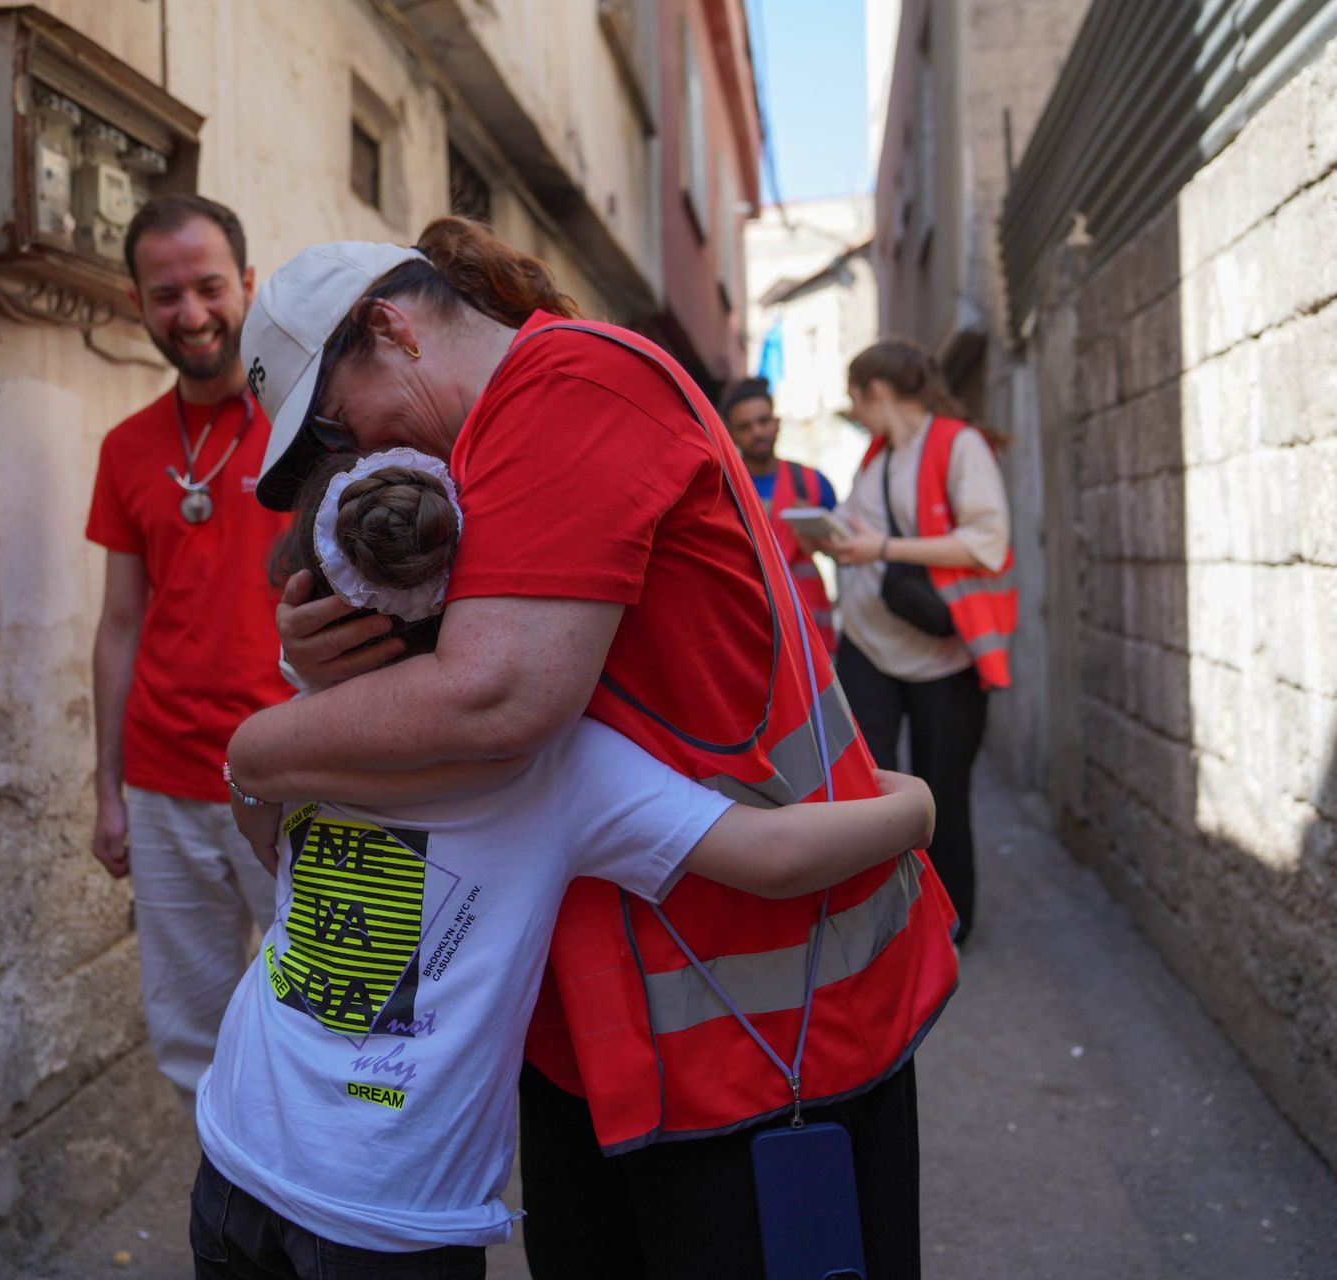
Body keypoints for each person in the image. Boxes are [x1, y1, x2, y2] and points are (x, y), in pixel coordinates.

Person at [224, 219, 960, 1278]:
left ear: (391, 328)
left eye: (337, 428)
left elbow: (498, 695)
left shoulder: (567, 385)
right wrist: (326, 663)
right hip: (622, 1034)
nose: (355, 461)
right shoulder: (483, 445)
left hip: (770, 1031)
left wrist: (257, 747)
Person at [84, 194, 289, 1103]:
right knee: (190, 1043)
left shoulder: (309, 424)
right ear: (138, 303)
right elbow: (119, 625)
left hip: (299, 775)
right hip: (165, 785)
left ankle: (318, 1190)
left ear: (246, 284)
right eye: (166, 295)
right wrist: (108, 790)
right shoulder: (127, 449)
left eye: (209, 287)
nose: (192, 314)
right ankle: (224, 1190)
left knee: (331, 1021)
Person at [811, 338, 1016, 948]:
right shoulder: (878, 456)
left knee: (941, 793)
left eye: (855, 399)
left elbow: (986, 543)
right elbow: (863, 528)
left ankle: (950, 926)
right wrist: (832, 538)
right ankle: (886, 924)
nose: (856, 412)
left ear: (876, 392)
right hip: (870, 646)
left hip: (943, 655)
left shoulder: (959, 445)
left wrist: (881, 548)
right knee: (865, 788)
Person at [720, 375, 839, 652]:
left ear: (777, 422)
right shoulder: (723, 488)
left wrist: (819, 534)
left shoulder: (811, 482)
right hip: (751, 628)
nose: (757, 432)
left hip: (809, 632)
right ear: (731, 433)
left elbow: (847, 552)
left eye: (763, 421)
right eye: (745, 426)